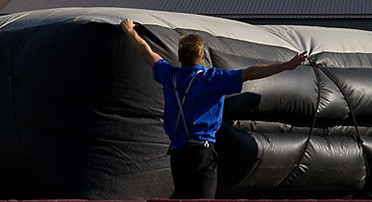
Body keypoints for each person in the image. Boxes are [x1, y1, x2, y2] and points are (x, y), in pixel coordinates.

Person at [121, 17, 311, 200]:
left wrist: (130, 31)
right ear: (202, 56)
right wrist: (286, 65)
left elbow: (147, 52)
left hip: (178, 154)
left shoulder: (170, 76)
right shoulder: (211, 80)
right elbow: (251, 72)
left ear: (180, 56)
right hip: (201, 152)